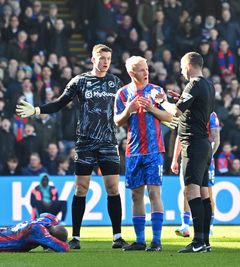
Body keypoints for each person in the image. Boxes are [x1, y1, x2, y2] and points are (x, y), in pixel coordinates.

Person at [16, 44, 128, 249]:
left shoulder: (116, 83)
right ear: (93, 59)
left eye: (108, 59)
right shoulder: (80, 81)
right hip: (85, 143)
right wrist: (36, 110)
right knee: (81, 189)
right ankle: (75, 237)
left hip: (108, 143)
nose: (105, 62)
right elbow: (59, 103)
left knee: (113, 188)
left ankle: (117, 236)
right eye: (101, 58)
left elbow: (124, 109)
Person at [154, 52, 215, 253]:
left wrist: (162, 101)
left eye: (181, 67)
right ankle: (205, 241)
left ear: (188, 66)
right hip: (204, 144)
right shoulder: (208, 85)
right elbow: (194, 109)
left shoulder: (194, 84)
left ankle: (197, 241)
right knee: (204, 194)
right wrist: (179, 99)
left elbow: (176, 112)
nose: (180, 71)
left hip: (193, 143)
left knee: (191, 191)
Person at [114, 56, 173, 252]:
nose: (146, 72)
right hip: (133, 151)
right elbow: (116, 121)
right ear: (132, 73)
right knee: (136, 196)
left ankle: (156, 241)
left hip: (154, 150)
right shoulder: (122, 94)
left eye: (147, 68)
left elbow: (169, 116)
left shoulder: (156, 91)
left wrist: (152, 109)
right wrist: (129, 109)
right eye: (141, 70)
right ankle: (140, 241)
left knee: (154, 193)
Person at [172, 112, 220, 238]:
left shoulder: (211, 115)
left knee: (207, 193)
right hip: (187, 157)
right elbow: (180, 136)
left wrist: (208, 157)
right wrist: (174, 159)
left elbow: (216, 139)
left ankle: (208, 226)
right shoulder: (185, 112)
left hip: (204, 157)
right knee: (186, 191)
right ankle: (185, 225)